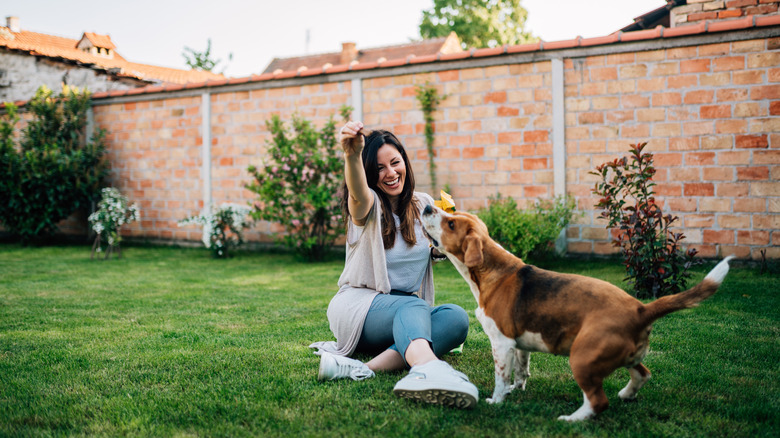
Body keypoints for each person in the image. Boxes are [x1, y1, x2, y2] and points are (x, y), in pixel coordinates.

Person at [309, 120, 478, 408]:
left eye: (395, 163)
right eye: (379, 168)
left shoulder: (422, 203)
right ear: (368, 174)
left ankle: (362, 368)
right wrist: (352, 155)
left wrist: (445, 245)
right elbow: (357, 194)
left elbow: (439, 246)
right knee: (413, 306)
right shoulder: (368, 206)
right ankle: (428, 368)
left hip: (402, 315)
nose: (390, 173)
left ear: (404, 162)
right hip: (359, 309)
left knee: (456, 318)